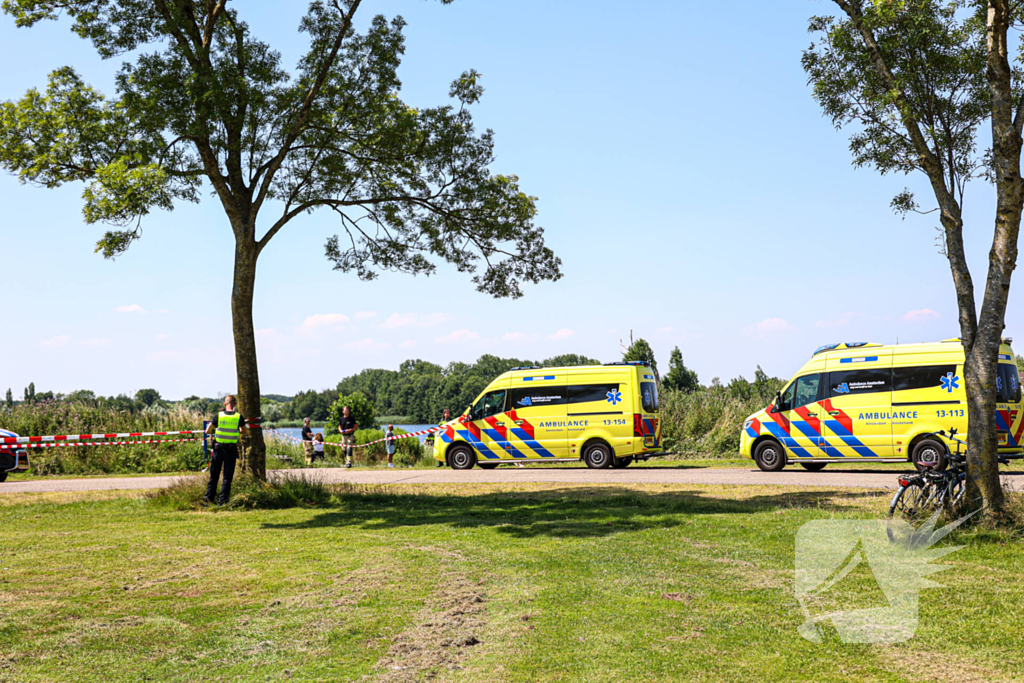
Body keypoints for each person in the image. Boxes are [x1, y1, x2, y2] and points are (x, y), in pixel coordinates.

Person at [204, 395, 246, 505]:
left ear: (225, 403)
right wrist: (236, 430)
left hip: (218, 449)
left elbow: (207, 431)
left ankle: (208, 499)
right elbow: (244, 431)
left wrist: (216, 431)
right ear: (235, 404)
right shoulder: (238, 417)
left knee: (214, 475)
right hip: (231, 450)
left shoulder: (218, 416)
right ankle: (223, 501)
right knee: (227, 477)